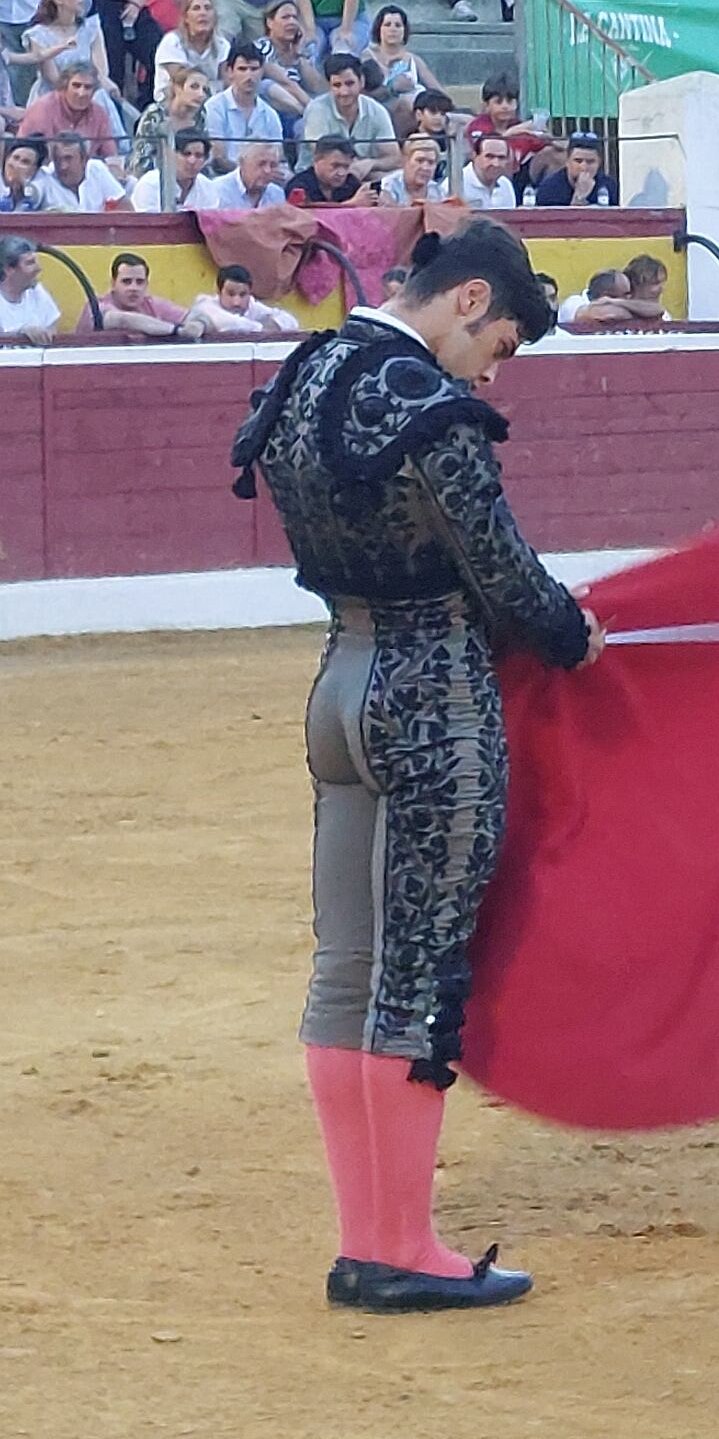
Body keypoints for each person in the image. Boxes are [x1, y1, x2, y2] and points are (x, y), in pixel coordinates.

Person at [231, 223, 598, 1317]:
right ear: (468, 299)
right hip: (430, 698)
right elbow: (506, 578)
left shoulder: (309, 373)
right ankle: (403, 1246)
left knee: (345, 966)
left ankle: (365, 1239)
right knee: (419, 972)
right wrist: (576, 636)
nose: (491, 373)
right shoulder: (425, 407)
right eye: (501, 348)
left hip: (338, 686)